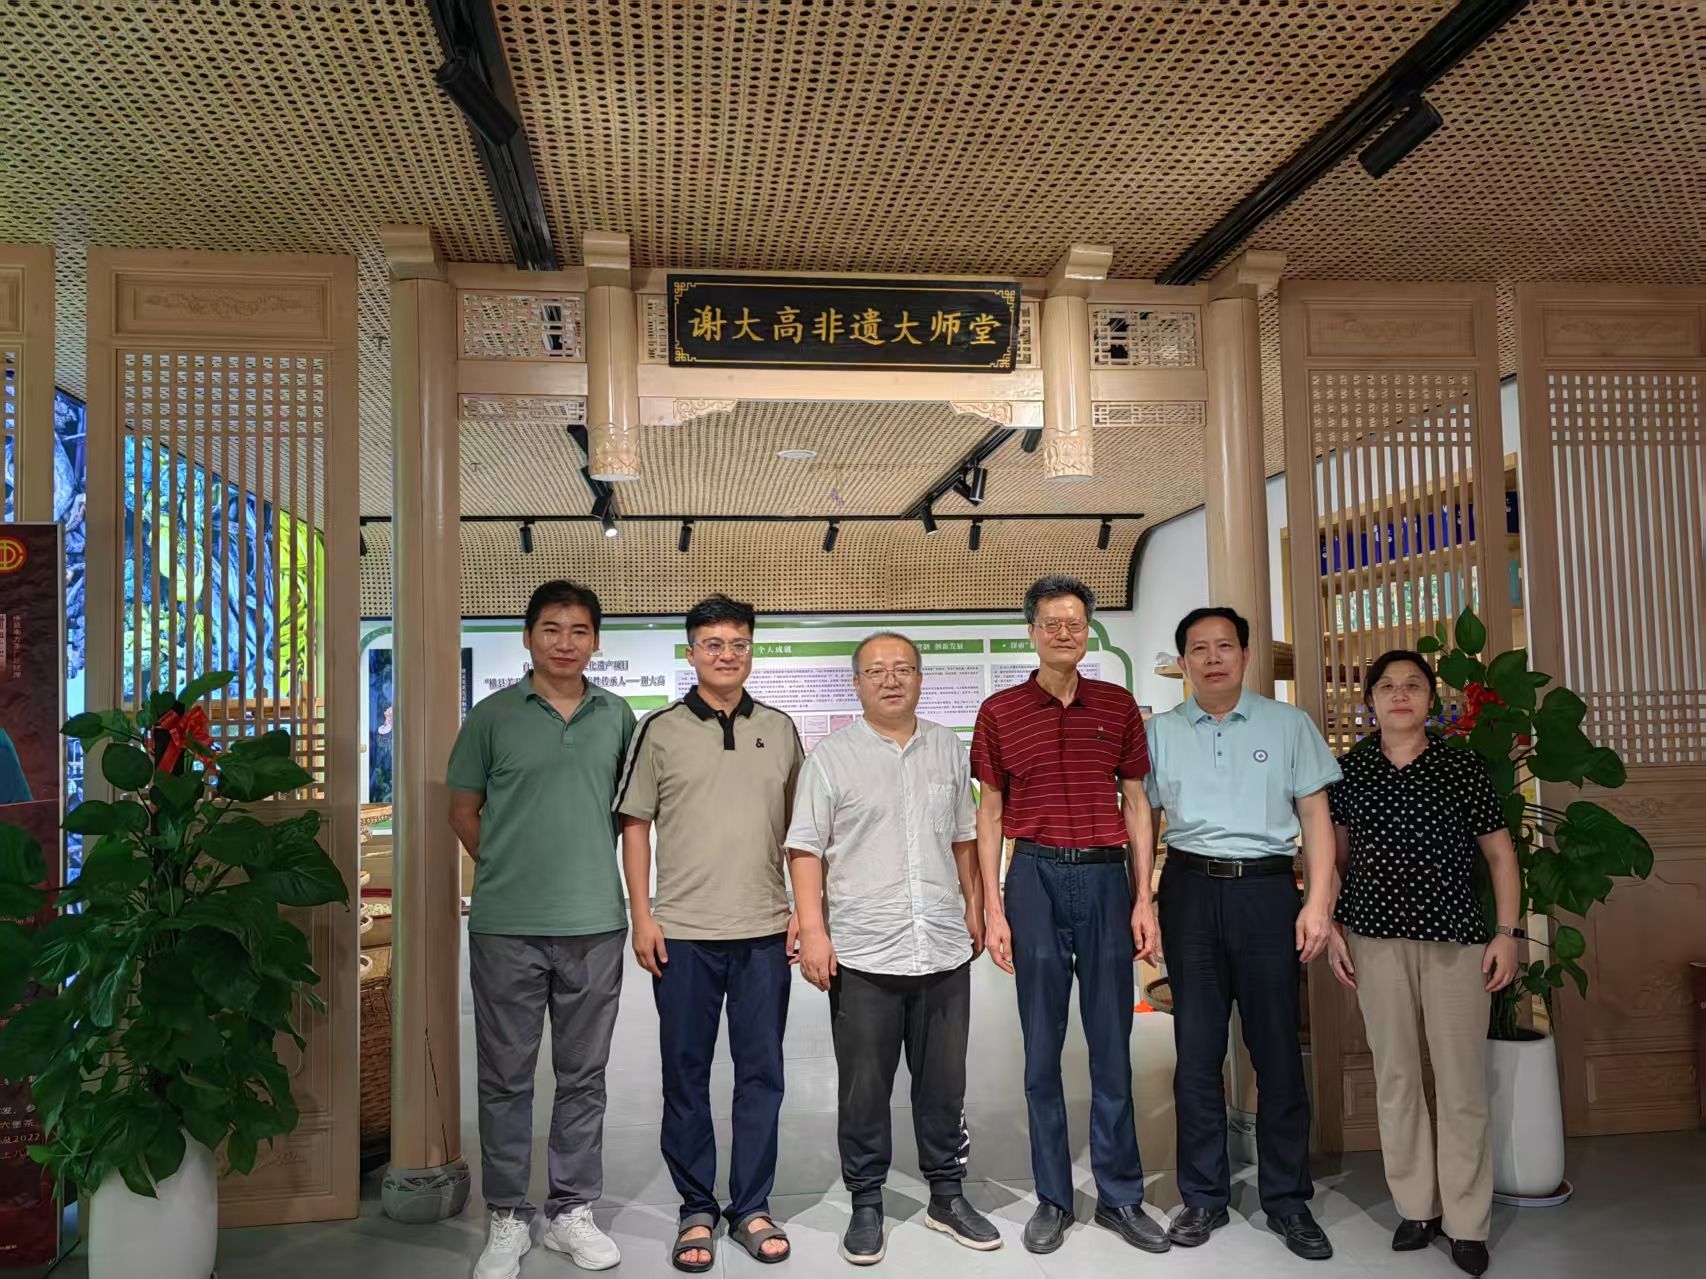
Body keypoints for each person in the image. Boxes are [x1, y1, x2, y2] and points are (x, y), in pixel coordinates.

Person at [785, 632, 1001, 1265]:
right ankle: (866, 1201)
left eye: (903, 668)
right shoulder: (831, 758)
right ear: (856, 683)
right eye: (876, 671)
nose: (891, 679)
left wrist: (974, 904)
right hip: (863, 951)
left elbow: (963, 834)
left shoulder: (947, 747)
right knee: (864, 1088)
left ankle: (947, 1195)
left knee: (944, 1084)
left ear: (920, 678)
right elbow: (805, 848)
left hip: (940, 944)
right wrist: (814, 931)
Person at [971, 575, 1168, 1256]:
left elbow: (1137, 804)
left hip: (1107, 878)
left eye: (1075, 623)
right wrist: (995, 907)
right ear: (1032, 631)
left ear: (1088, 632)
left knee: (1113, 1043)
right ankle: (1053, 1197)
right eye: (1051, 623)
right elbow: (990, 813)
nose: (1064, 633)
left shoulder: (1116, 705)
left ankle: (1120, 1196)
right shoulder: (1000, 711)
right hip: (1034, 876)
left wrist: (1143, 897)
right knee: (1041, 1049)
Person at [446, 581, 634, 1279]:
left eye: (579, 630)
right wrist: (505, 864)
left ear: (595, 641)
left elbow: (627, 813)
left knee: (584, 1075)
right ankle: (506, 1215)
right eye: (551, 628)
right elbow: (462, 810)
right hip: (506, 927)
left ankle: (571, 1210)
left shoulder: (617, 716)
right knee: (505, 1076)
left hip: (595, 923)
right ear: (528, 637)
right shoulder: (492, 716)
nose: (565, 642)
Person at [1144, 606, 1341, 1261]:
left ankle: (1287, 1199)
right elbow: (1142, 820)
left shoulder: (1289, 724)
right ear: (1183, 663)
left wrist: (1317, 902)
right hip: (1189, 891)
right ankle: (1203, 1196)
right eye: (1198, 648)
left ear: (1245, 654)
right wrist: (1142, 898)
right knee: (1197, 1050)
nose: (1212, 658)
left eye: (1224, 645)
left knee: (1276, 1048)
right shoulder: (1159, 732)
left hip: (1266, 891)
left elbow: (1315, 817)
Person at [616, 595, 804, 1272]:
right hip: (684, 934)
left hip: (764, 930)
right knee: (685, 1073)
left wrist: (805, 912)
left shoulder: (780, 727)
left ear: (752, 650)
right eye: (713, 644)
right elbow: (635, 824)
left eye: (738, 643)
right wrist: (643, 914)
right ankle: (696, 1206)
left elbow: (803, 832)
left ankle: (752, 1205)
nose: (727, 654)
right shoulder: (659, 729)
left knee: (762, 1074)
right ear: (691, 652)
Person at [1325, 650, 1521, 1278]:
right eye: (1386, 686)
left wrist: (1507, 934)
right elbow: (1336, 861)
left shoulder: (1461, 768)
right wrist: (1332, 929)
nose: (1400, 694)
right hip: (1374, 940)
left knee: (1461, 1083)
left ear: (1432, 700)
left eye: (1413, 685)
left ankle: (1467, 1221)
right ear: (1370, 702)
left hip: (1456, 942)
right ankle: (1417, 1208)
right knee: (1397, 1077)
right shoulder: (1348, 771)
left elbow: (1500, 857)